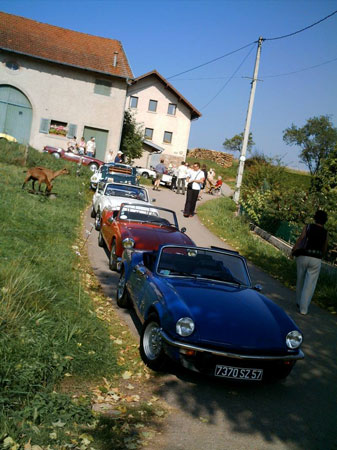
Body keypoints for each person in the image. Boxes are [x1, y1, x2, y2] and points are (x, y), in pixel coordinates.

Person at [291, 210, 328, 315]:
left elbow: (301, 238)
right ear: (325, 221)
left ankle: (298, 301)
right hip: (316, 259)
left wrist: (294, 249)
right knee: (310, 284)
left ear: (315, 218)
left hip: (303, 256)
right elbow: (325, 247)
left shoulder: (308, 227)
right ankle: (304, 309)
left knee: (300, 279)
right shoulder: (326, 233)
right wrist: (321, 255)